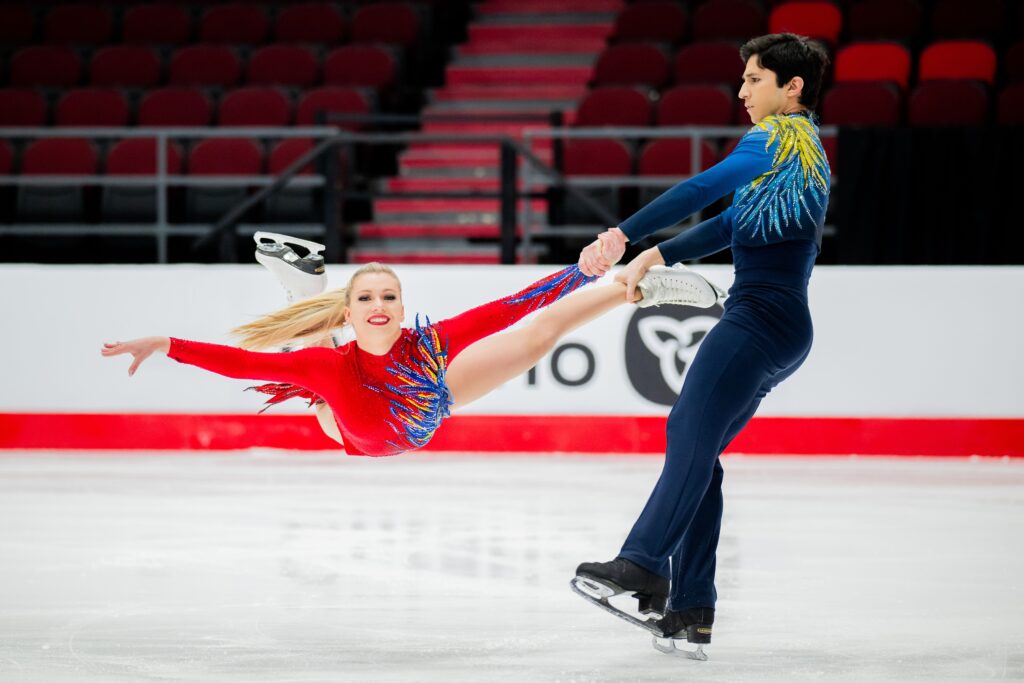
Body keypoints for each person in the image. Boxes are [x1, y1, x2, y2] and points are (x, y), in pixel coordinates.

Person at [570, 33, 831, 660]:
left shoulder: (776, 139)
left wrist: (623, 235)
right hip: (781, 323)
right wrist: (658, 253)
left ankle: (640, 563)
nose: (742, 91)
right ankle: (690, 610)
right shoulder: (804, 151)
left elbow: (701, 189)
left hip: (760, 318)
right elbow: (730, 221)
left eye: (754, 79)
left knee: (688, 429)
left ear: (791, 88)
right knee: (699, 448)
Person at [101, 234, 724, 458]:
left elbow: (516, 307)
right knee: (308, 380)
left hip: (431, 397)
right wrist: (165, 343)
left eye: (389, 299)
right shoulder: (332, 363)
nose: (378, 307)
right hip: (349, 427)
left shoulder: (430, 344)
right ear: (354, 313)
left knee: (538, 335)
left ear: (402, 309)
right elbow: (243, 361)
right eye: (366, 299)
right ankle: (307, 289)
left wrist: (586, 270)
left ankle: (633, 290)